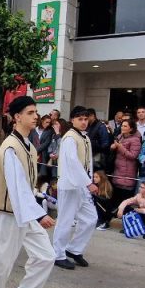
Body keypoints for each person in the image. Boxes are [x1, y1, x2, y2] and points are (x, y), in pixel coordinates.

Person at [0, 95, 55, 288]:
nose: (36, 117)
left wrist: (40, 197)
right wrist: (40, 214)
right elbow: (17, 188)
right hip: (8, 212)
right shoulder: (11, 146)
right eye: (31, 113)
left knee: (45, 255)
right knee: (2, 260)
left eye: (35, 112)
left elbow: (27, 184)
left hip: (25, 211)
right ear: (17, 117)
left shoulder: (29, 146)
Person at [52, 106, 98, 270]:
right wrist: (88, 183)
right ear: (72, 120)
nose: (84, 122)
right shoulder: (70, 137)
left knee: (91, 218)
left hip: (82, 186)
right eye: (80, 119)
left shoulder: (84, 137)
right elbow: (72, 162)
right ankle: (58, 254)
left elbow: (87, 163)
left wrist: (88, 181)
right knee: (65, 220)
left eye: (86, 119)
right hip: (70, 185)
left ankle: (74, 249)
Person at [111, 119, 142, 213]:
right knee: (116, 199)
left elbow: (133, 156)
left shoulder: (136, 140)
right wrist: (113, 146)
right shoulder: (120, 136)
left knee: (125, 200)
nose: (122, 127)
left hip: (127, 173)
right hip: (118, 171)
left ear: (131, 128)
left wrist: (120, 147)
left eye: (125, 126)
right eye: (122, 125)